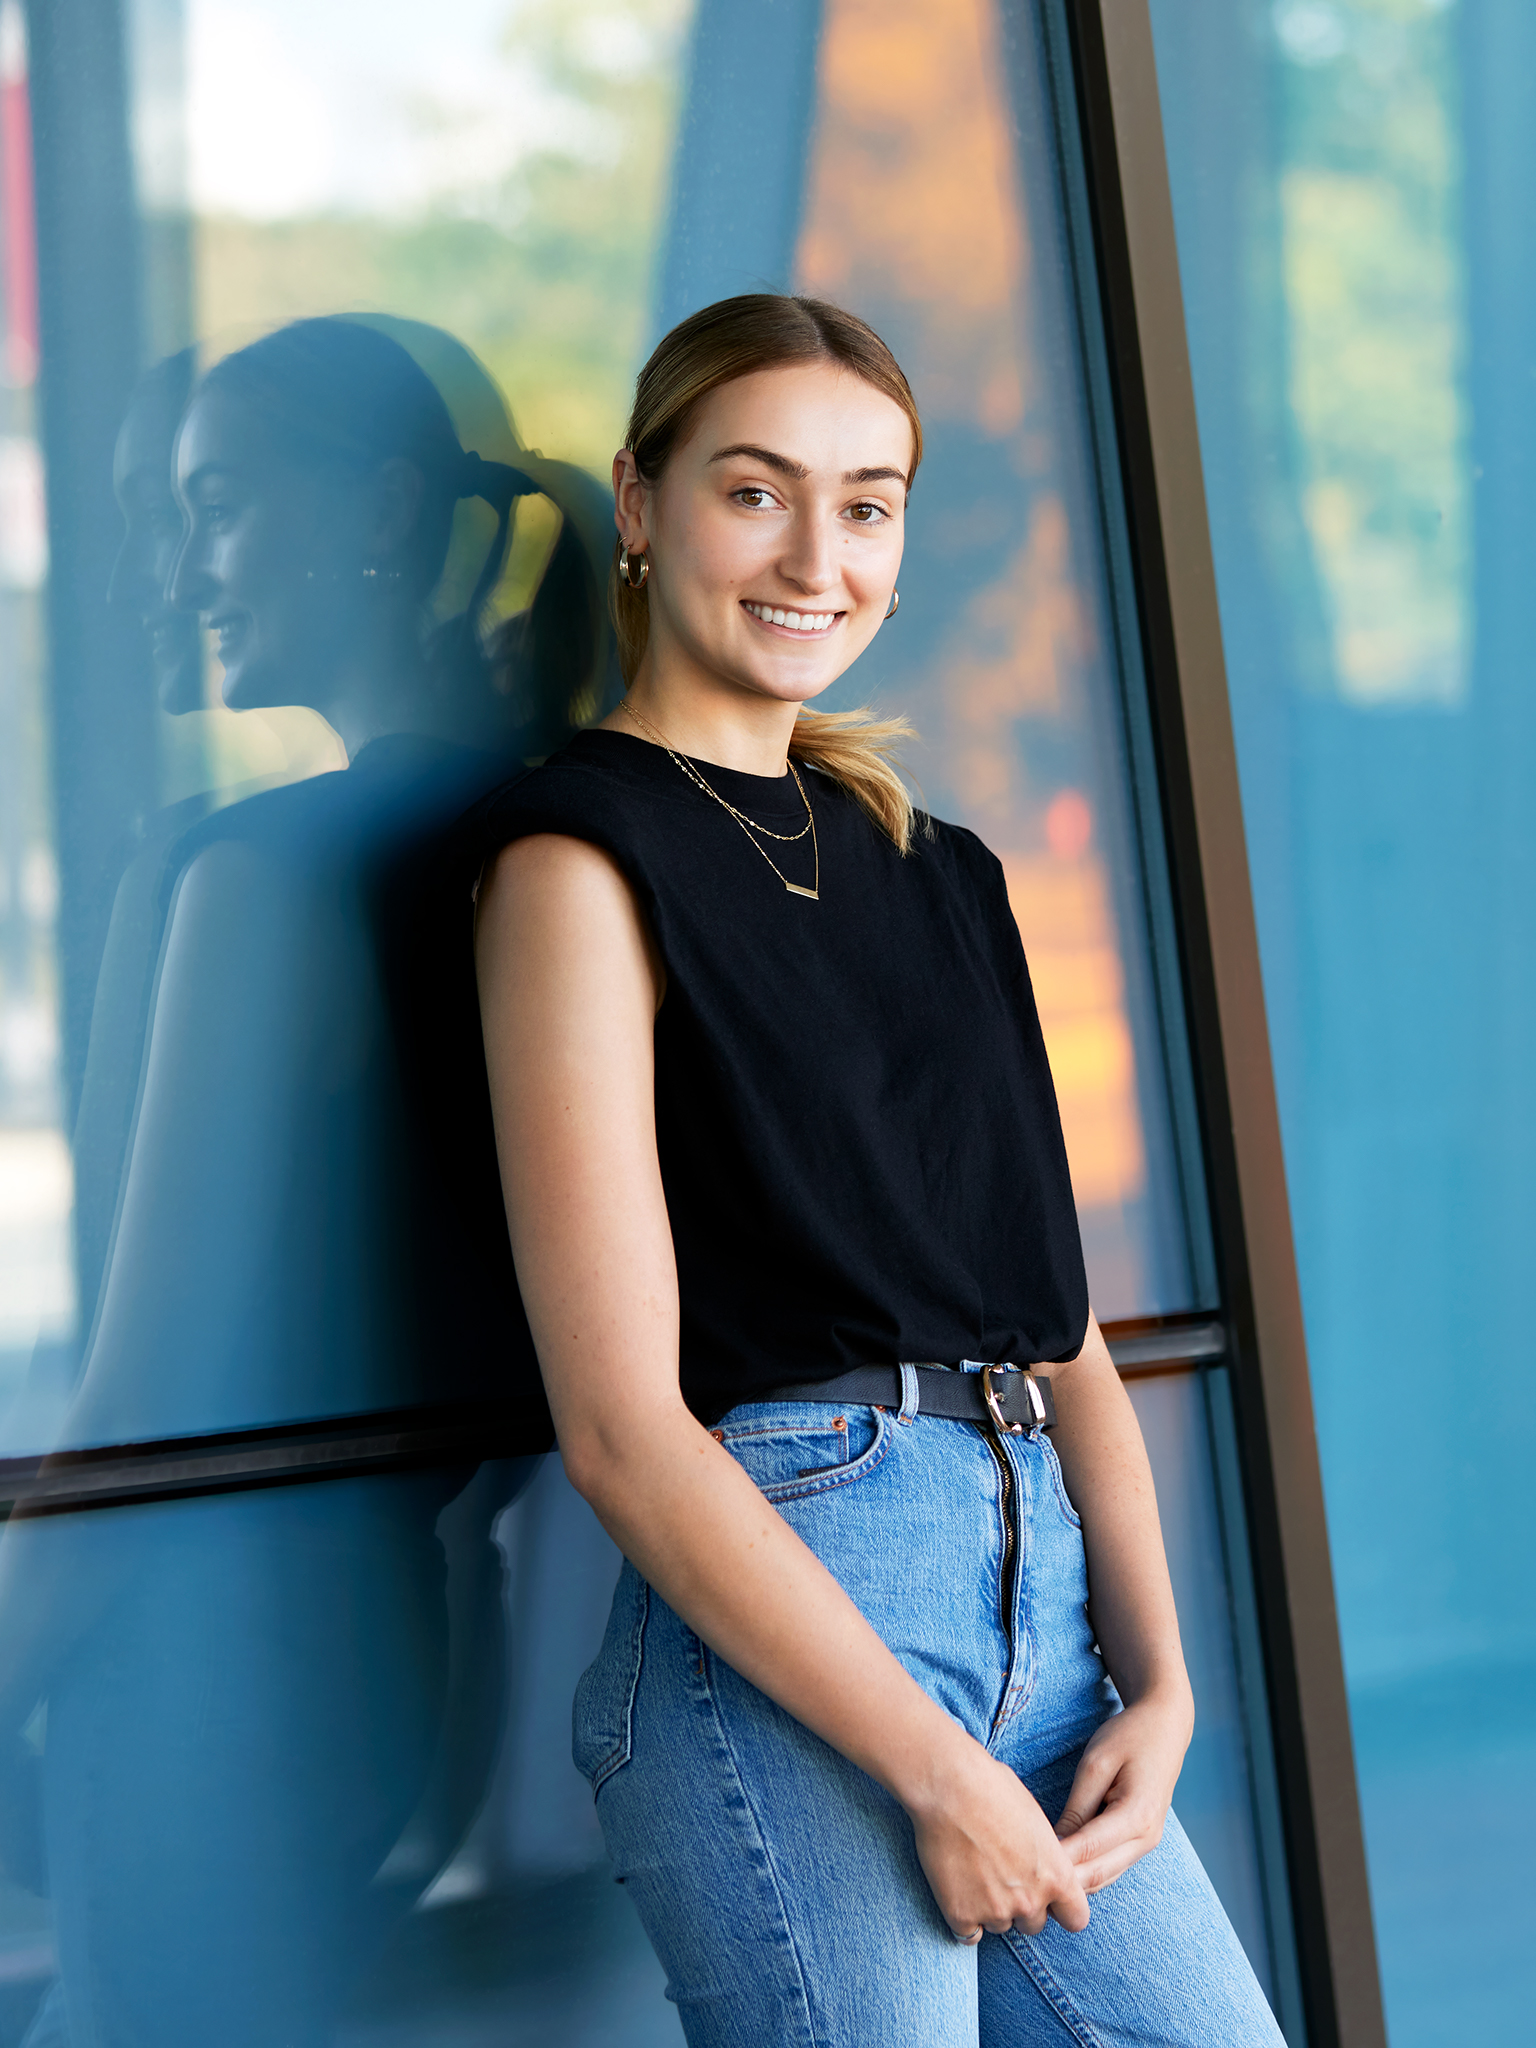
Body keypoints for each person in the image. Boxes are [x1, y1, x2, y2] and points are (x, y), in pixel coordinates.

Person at [472, 294, 1286, 2046]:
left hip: (1048, 1621)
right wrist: (929, 1766)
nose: (814, 558)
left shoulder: (944, 871)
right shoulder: (579, 864)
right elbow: (620, 1431)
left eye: (868, 502)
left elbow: (1059, 1343)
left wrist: (1163, 1678)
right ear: (639, 501)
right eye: (754, 491)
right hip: (798, 1640)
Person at [0, 315, 602, 2048]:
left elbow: (148, 1406)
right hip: (405, 1648)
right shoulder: (539, 827)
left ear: (379, 513)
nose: (179, 570)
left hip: (212, 1668)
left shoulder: (264, 878)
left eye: (213, 508)